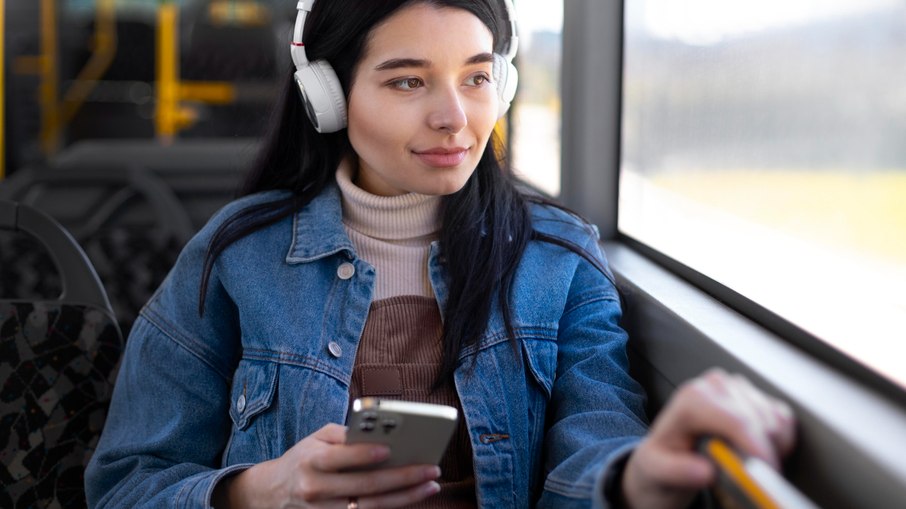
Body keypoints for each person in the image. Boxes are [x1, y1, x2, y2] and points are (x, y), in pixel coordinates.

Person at [84, 0, 795, 507]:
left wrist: (636, 480)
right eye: (408, 80)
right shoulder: (237, 256)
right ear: (329, 97)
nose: (455, 118)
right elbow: (125, 483)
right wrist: (258, 490)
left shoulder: (559, 259)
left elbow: (596, 438)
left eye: (477, 77)